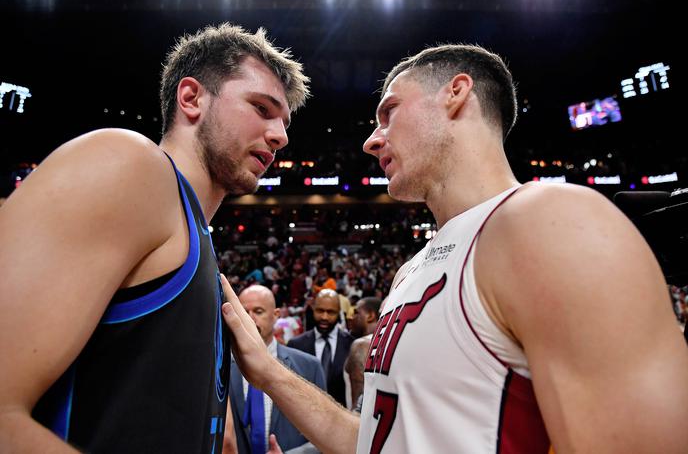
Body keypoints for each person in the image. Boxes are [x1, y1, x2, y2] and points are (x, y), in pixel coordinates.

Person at [220, 43, 688, 454]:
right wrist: (268, 373)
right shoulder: (412, 270)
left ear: (456, 93)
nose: (371, 140)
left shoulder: (548, 220)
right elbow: (379, 440)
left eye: (389, 112)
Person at [0, 23, 309, 452]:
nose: (281, 135)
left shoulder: (192, 233)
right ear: (191, 98)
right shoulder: (129, 164)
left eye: (283, 120)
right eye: (261, 107)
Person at [224, 285, 325, 454]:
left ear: (276, 315)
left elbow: (324, 436)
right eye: (243, 311)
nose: (250, 319)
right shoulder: (221, 368)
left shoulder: (309, 366)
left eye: (258, 311)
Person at [288, 289, 354, 407]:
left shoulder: (352, 345)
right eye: (320, 311)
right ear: (313, 309)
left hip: (341, 419)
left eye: (331, 312)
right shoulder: (296, 345)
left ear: (339, 312)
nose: (324, 317)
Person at [343, 297, 382, 411]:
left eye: (356, 313)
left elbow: (359, 408)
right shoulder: (390, 343)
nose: (351, 317)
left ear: (370, 315)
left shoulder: (361, 345)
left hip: (360, 425)